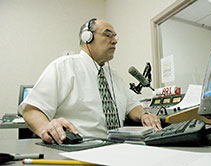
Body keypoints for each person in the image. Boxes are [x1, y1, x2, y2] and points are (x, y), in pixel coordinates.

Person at [18, 18, 162, 144]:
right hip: (79, 148)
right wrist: (46, 127)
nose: (115, 40)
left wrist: (144, 115)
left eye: (115, 37)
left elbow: (132, 105)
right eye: (108, 34)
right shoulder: (63, 67)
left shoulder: (114, 76)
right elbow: (32, 110)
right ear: (87, 37)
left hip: (118, 146)